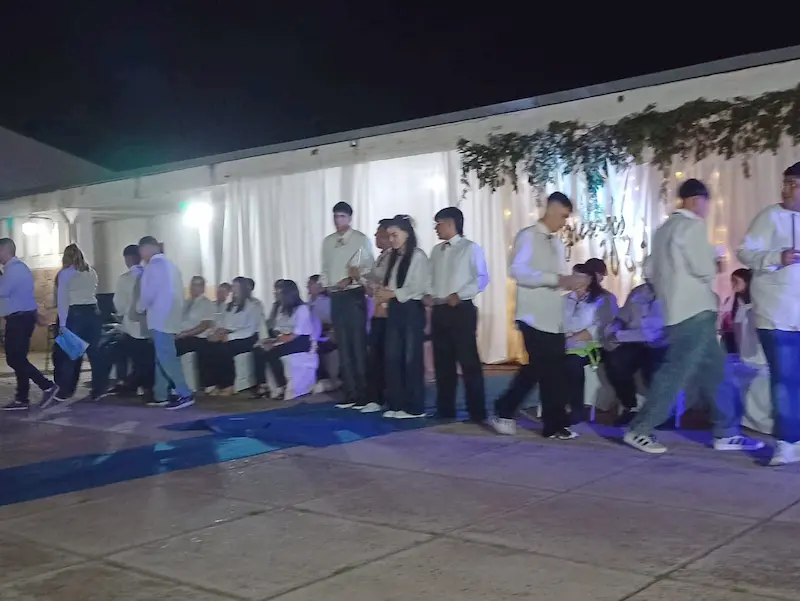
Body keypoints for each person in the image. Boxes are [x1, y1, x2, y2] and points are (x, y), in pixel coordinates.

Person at [624, 179, 763, 454]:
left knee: (717, 372)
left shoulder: (663, 230)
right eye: (706, 202)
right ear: (696, 200)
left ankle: (726, 432)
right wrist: (716, 261)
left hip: (675, 312)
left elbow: (649, 270)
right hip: (695, 311)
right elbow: (703, 269)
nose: (707, 208)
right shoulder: (692, 226)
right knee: (675, 373)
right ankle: (640, 428)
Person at [490, 192, 589, 439]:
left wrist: (572, 283)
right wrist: (556, 279)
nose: (564, 222)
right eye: (563, 216)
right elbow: (518, 271)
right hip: (532, 316)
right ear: (552, 209)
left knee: (549, 370)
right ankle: (511, 411)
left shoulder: (556, 243)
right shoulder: (528, 236)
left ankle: (548, 422)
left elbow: (558, 281)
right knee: (542, 368)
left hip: (553, 318)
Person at [737, 161, 800, 464]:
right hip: (776, 313)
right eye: (786, 183)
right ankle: (786, 442)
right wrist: (777, 256)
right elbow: (745, 252)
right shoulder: (769, 216)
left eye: (794, 184)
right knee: (784, 378)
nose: (787, 189)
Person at [428, 206, 490, 422]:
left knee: (468, 362)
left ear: (451, 224)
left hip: (461, 309)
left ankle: (477, 411)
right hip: (439, 309)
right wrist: (429, 294)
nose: (436, 228)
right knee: (442, 362)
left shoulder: (470, 248)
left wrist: (460, 294)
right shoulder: (436, 251)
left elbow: (482, 277)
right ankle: (445, 409)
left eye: (439, 224)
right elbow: (430, 277)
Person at [374, 215, 430, 418]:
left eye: (395, 235)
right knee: (393, 357)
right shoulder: (393, 257)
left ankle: (414, 406)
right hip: (395, 309)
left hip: (411, 309)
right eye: (389, 236)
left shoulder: (418, 256)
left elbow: (418, 287)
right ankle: (397, 404)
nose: (391, 240)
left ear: (407, 233)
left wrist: (393, 293)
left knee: (410, 358)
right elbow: (386, 281)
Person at [322, 201, 374, 409]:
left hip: (354, 294)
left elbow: (368, 267)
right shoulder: (328, 241)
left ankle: (364, 393)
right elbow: (325, 268)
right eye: (336, 216)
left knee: (357, 344)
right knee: (343, 345)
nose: (338, 220)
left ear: (350, 218)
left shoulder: (360, 239)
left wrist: (351, 279)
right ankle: (350, 392)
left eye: (342, 216)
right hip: (336, 296)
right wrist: (326, 285)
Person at [603, 261, 667, 425]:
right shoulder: (638, 291)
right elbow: (622, 317)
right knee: (615, 362)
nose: (648, 279)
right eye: (646, 276)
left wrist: (619, 336)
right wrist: (613, 328)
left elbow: (653, 331)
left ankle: (661, 412)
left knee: (654, 369)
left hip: (660, 342)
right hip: (633, 341)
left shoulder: (672, 294)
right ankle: (630, 406)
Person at [0, 238, 59, 410]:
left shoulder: (14, 269)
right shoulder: (15, 269)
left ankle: (47, 386)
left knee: (14, 358)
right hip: (21, 318)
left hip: (19, 319)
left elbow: (2, 291)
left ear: (5, 249)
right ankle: (22, 398)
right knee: (19, 358)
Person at [137, 236, 195, 410]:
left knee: (166, 356)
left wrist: (139, 308)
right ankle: (161, 394)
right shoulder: (172, 266)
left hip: (160, 317)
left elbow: (148, 294)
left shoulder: (152, 267)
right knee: (161, 356)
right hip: (172, 316)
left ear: (146, 249)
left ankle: (185, 393)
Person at [51, 244, 108, 404]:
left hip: (75, 313)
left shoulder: (65, 274)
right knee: (95, 354)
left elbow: (63, 300)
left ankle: (65, 391)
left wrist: (62, 325)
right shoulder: (91, 272)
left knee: (70, 354)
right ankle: (99, 389)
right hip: (93, 312)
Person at [563, 263, 613, 425]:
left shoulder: (603, 299)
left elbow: (601, 327)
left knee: (572, 362)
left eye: (579, 277)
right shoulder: (566, 299)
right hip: (566, 342)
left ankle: (577, 409)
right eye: (573, 276)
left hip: (594, 345)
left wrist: (575, 338)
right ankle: (554, 406)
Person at [353, 219, 393, 412]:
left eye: (380, 234)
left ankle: (382, 397)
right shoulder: (381, 258)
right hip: (377, 311)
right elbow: (372, 288)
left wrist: (363, 279)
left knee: (383, 357)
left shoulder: (393, 258)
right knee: (375, 356)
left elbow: (381, 283)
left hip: (388, 312)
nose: (376, 237)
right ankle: (375, 397)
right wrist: (360, 278)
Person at [253, 279, 315, 399]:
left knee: (272, 352)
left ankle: (282, 385)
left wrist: (275, 343)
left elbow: (295, 334)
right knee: (258, 349)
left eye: (280, 293)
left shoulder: (302, 309)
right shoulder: (283, 309)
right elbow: (278, 328)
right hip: (283, 337)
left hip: (300, 341)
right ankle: (262, 385)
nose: (278, 295)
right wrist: (271, 340)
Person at [202, 276, 260, 395]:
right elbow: (222, 322)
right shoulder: (229, 306)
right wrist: (217, 332)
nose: (233, 289)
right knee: (207, 347)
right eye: (233, 286)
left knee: (223, 349)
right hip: (228, 334)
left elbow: (250, 330)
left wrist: (229, 337)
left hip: (246, 338)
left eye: (236, 286)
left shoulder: (252, 306)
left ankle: (228, 385)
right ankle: (213, 383)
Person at [110, 244, 154, 397]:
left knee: (135, 358)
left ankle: (131, 384)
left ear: (128, 259)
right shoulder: (150, 275)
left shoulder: (124, 279)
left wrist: (121, 314)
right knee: (147, 357)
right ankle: (147, 387)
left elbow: (119, 304)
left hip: (132, 324)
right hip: (150, 324)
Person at [176, 275, 215, 355]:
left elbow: (204, 326)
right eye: (192, 284)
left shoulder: (206, 303)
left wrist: (185, 334)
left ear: (203, 288)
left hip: (196, 338)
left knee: (172, 347)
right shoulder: (185, 302)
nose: (193, 287)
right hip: (180, 335)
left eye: (197, 285)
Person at [718, 268, 752, 354]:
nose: (733, 284)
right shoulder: (730, 301)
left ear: (746, 282)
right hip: (730, 338)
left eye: (736, 281)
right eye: (732, 281)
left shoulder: (754, 302)